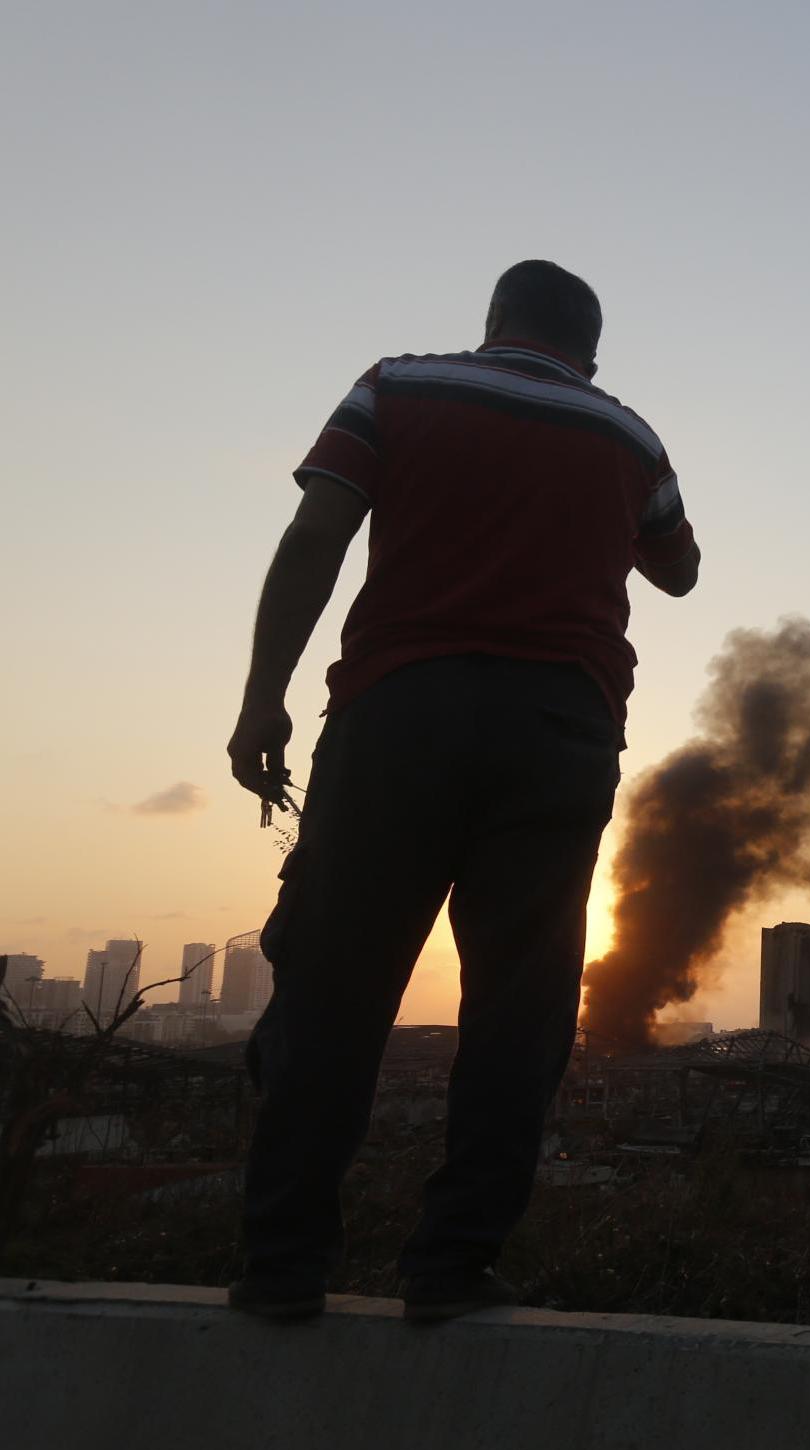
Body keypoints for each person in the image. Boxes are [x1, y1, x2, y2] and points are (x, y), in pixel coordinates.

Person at [223, 261, 699, 1322]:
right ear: (588, 351)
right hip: (557, 734)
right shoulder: (629, 436)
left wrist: (264, 699)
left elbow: (316, 535)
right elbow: (682, 569)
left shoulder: (395, 387)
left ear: (492, 326)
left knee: (332, 983)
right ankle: (451, 1267)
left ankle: (284, 1263)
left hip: (398, 714)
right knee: (520, 1004)